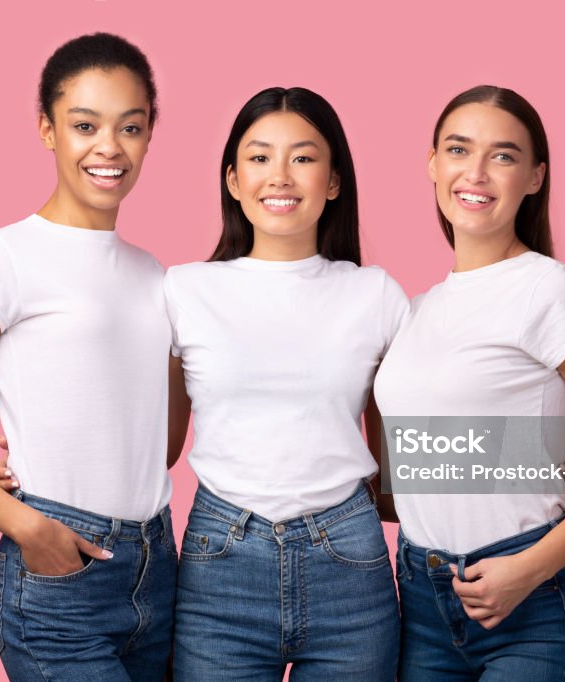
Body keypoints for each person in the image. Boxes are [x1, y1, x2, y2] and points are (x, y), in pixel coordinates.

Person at [0, 33, 180, 681]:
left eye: (130, 127)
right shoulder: (3, 255)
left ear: (149, 134)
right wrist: (32, 526)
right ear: (47, 129)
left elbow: (158, 445)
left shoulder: (158, 277)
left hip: (160, 570)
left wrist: (48, 443)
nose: (108, 147)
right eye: (84, 125)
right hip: (63, 577)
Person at [373, 85, 565, 681]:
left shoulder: (549, 291)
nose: (475, 172)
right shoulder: (418, 309)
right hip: (422, 600)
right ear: (433, 164)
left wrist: (527, 569)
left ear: (534, 177)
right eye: (458, 149)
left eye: (503, 156)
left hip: (531, 608)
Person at [167, 86, 404, 680]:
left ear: (333, 181)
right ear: (232, 179)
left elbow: (409, 449)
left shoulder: (375, 294)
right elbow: (155, 444)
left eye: (302, 157)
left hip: (349, 562)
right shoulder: (182, 291)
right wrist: (40, 467)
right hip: (219, 565)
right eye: (259, 157)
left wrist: (549, 469)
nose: (280, 176)